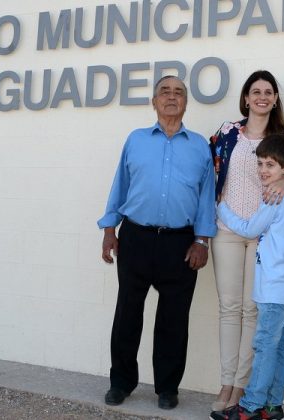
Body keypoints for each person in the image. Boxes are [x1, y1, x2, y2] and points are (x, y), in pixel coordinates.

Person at [97, 75, 216, 410]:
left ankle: (167, 387)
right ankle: (121, 382)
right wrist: (110, 229)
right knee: (127, 314)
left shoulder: (199, 147)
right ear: (154, 101)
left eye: (179, 92)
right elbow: (120, 184)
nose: (171, 97)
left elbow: (207, 199)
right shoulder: (135, 140)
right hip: (135, 237)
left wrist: (202, 241)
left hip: (181, 244)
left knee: (174, 319)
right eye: (165, 91)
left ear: (186, 102)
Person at [208, 70, 284, 412]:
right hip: (227, 231)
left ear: (275, 99)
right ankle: (226, 383)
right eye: (255, 91)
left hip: (264, 236)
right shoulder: (228, 132)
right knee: (229, 309)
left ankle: (244, 388)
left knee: (253, 311)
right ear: (246, 98)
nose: (262, 96)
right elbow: (210, 173)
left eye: (268, 92)